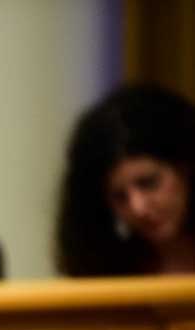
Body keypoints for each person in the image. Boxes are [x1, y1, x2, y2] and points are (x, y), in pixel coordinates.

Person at [57, 84, 195, 278]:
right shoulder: (106, 273)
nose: (138, 208)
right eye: (120, 196)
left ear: (186, 167)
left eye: (149, 183)